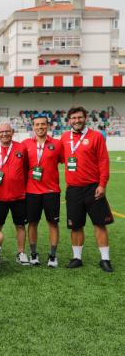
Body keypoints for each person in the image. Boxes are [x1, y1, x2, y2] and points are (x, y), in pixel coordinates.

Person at [60, 106, 113, 272]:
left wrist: (102, 184)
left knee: (99, 224)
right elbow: (56, 156)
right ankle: (77, 258)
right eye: (74, 118)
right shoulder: (64, 137)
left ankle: (105, 259)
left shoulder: (96, 136)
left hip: (93, 188)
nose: (77, 120)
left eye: (80, 117)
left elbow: (103, 161)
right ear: (69, 120)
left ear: (85, 118)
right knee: (75, 225)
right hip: (73, 189)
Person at [22, 114, 65, 267]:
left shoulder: (58, 144)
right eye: (37, 124)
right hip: (31, 191)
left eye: (43, 124)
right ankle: (33, 253)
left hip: (52, 191)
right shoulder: (25, 143)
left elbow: (67, 159)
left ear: (48, 126)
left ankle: (53, 256)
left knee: (53, 224)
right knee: (32, 223)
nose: (40, 127)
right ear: (32, 127)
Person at [0, 121, 29, 265]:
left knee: (20, 225)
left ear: (12, 132)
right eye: (1, 132)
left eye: (7, 131)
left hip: (19, 196)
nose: (4, 134)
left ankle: (21, 253)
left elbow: (26, 169)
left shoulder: (21, 148)